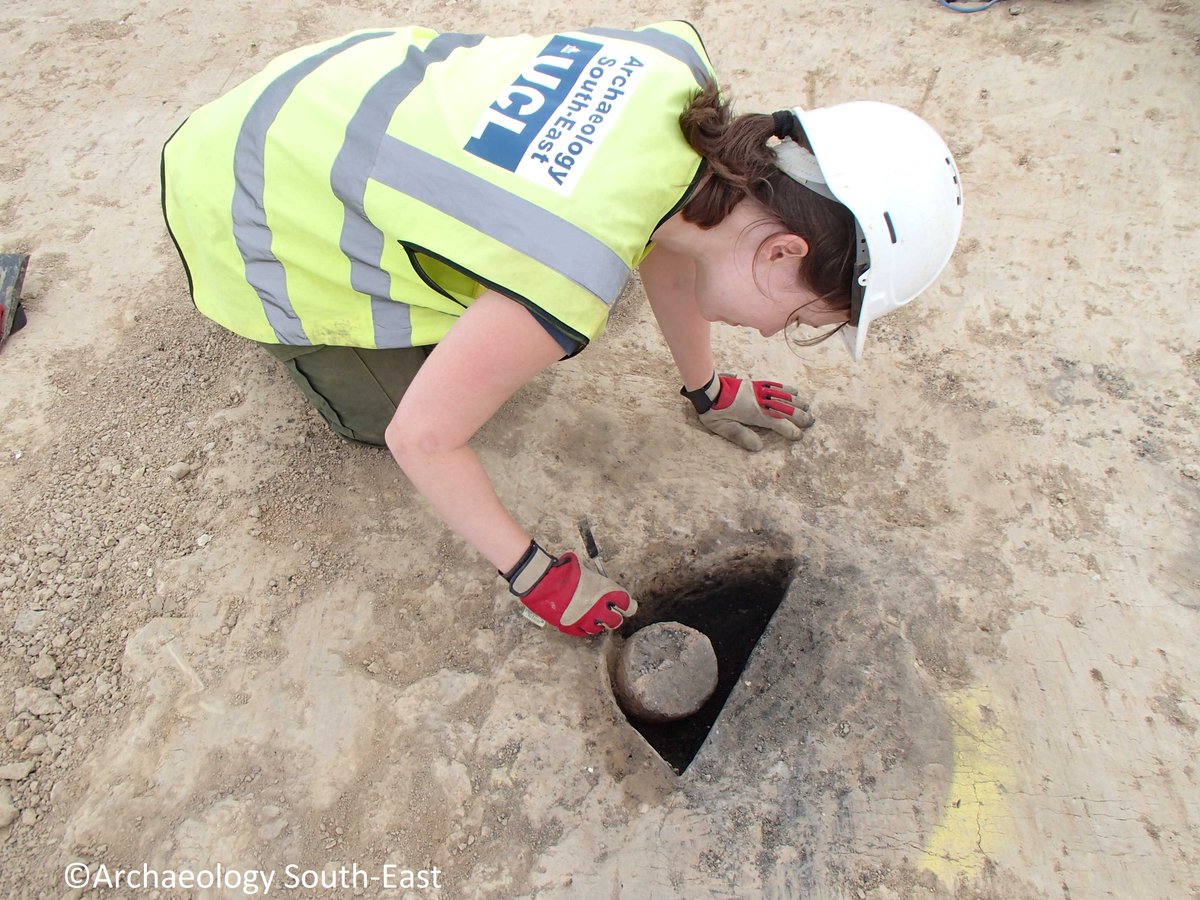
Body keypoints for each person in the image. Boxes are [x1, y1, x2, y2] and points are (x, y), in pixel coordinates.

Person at [161, 22, 963, 638]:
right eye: (795, 319)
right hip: (234, 192)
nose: (777, 329)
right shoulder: (568, 269)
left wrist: (707, 387)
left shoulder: (680, 81)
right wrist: (535, 574)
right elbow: (424, 440)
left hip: (327, 88)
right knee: (399, 413)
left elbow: (669, 245)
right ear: (784, 252)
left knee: (515, 316)